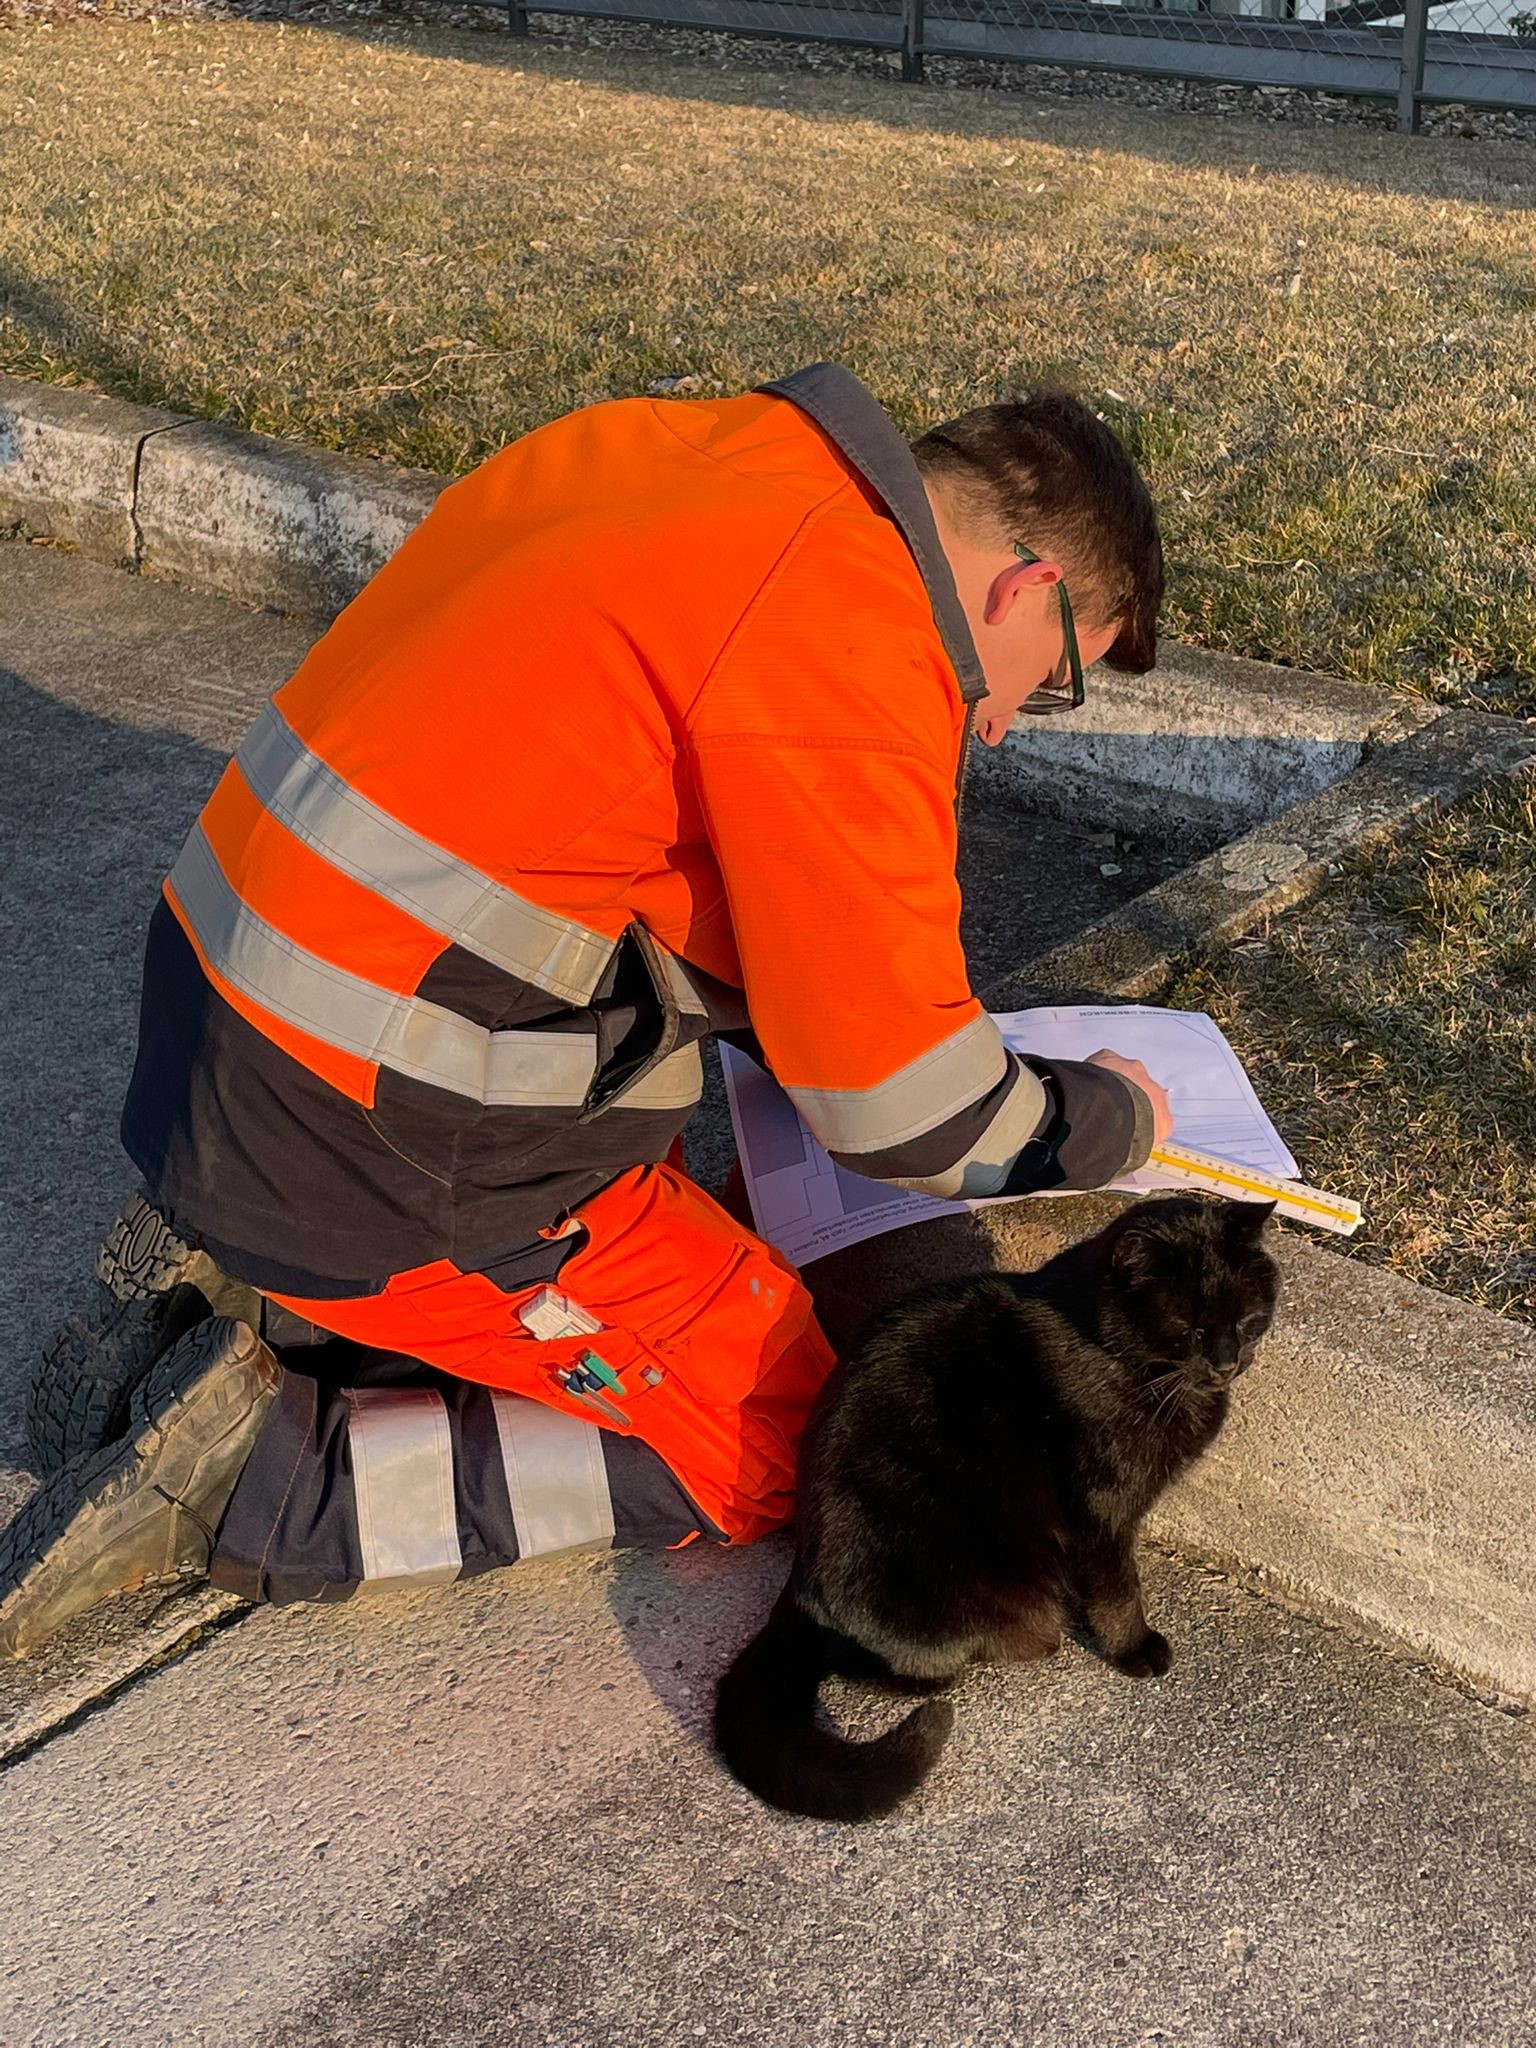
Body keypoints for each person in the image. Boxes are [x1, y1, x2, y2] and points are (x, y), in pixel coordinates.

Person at [0, 361, 1171, 1656]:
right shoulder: (855, 630)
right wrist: (1105, 1119)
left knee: (639, 1204)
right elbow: (907, 1114)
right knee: (793, 1443)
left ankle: (270, 1285)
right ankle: (257, 1476)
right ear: (1025, 589)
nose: (1002, 727)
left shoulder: (688, 453)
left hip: (224, 1011)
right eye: (1049, 682)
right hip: (374, 1132)